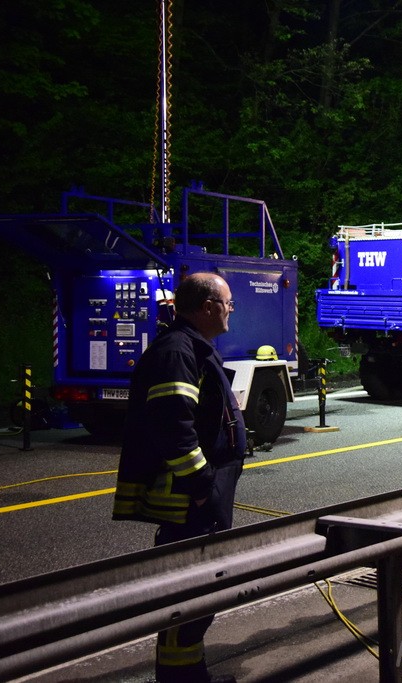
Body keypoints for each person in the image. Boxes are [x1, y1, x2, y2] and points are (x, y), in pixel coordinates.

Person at [112, 272, 246, 683]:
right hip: (187, 503)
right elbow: (174, 427)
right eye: (227, 303)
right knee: (185, 601)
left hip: (199, 502)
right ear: (207, 307)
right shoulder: (177, 352)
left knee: (200, 598)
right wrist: (202, 487)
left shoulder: (192, 348)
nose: (230, 310)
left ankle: (192, 676)